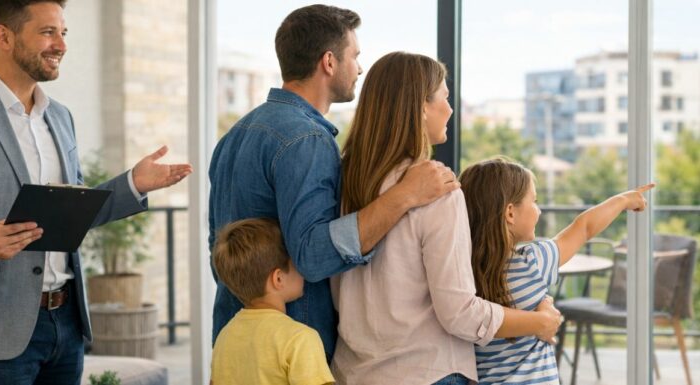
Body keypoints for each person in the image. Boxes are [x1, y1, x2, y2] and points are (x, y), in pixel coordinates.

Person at [0, 1, 191, 383]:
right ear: (4, 37)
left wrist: (133, 183)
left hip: (64, 327)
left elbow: (71, 213)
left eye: (63, 33)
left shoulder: (60, 117)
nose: (61, 45)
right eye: (48, 32)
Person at [208, 4, 459, 360]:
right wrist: (404, 195)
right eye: (354, 56)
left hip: (233, 339)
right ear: (329, 62)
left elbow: (218, 249)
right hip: (291, 353)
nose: (359, 68)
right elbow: (313, 256)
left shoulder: (234, 135)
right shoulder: (306, 139)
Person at [332, 52, 564, 385]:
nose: (450, 109)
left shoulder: (342, 182)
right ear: (421, 107)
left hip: (352, 373)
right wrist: (539, 322)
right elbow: (460, 313)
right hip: (426, 372)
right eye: (444, 97)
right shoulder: (438, 188)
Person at [459, 157, 653, 384]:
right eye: (534, 201)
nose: (539, 211)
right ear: (510, 213)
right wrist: (623, 200)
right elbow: (584, 227)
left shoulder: (461, 274)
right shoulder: (531, 263)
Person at [210, 218, 335, 385]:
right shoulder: (300, 339)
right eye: (296, 263)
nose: (302, 269)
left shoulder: (224, 337)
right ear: (278, 278)